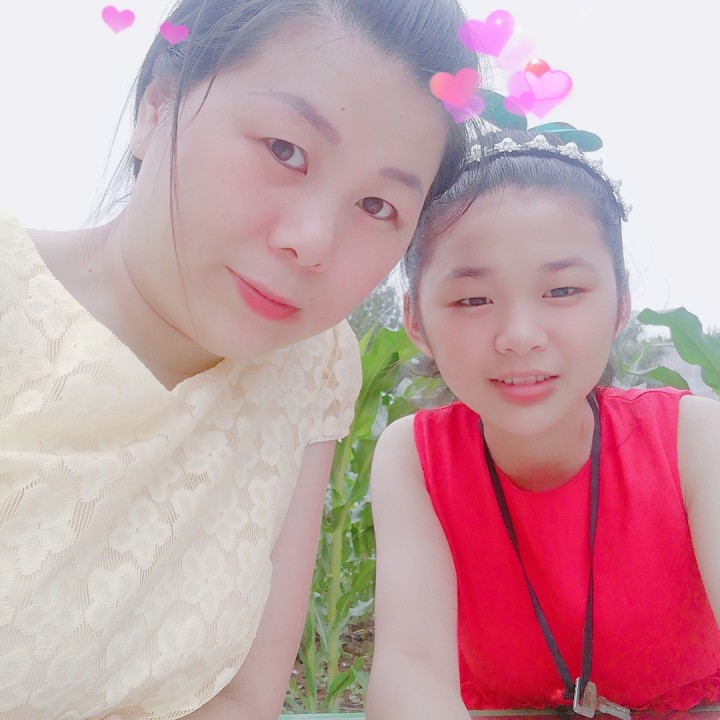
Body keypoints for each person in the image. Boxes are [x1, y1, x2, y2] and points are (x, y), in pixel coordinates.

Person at [0, 0, 479, 717]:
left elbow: (242, 698)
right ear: (157, 108)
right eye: (285, 150)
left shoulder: (313, 366)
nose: (312, 241)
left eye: (378, 206)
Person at [366, 130, 720, 719]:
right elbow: (411, 666)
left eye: (562, 290)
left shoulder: (694, 440)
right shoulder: (416, 457)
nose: (520, 336)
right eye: (473, 300)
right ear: (416, 320)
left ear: (620, 304)